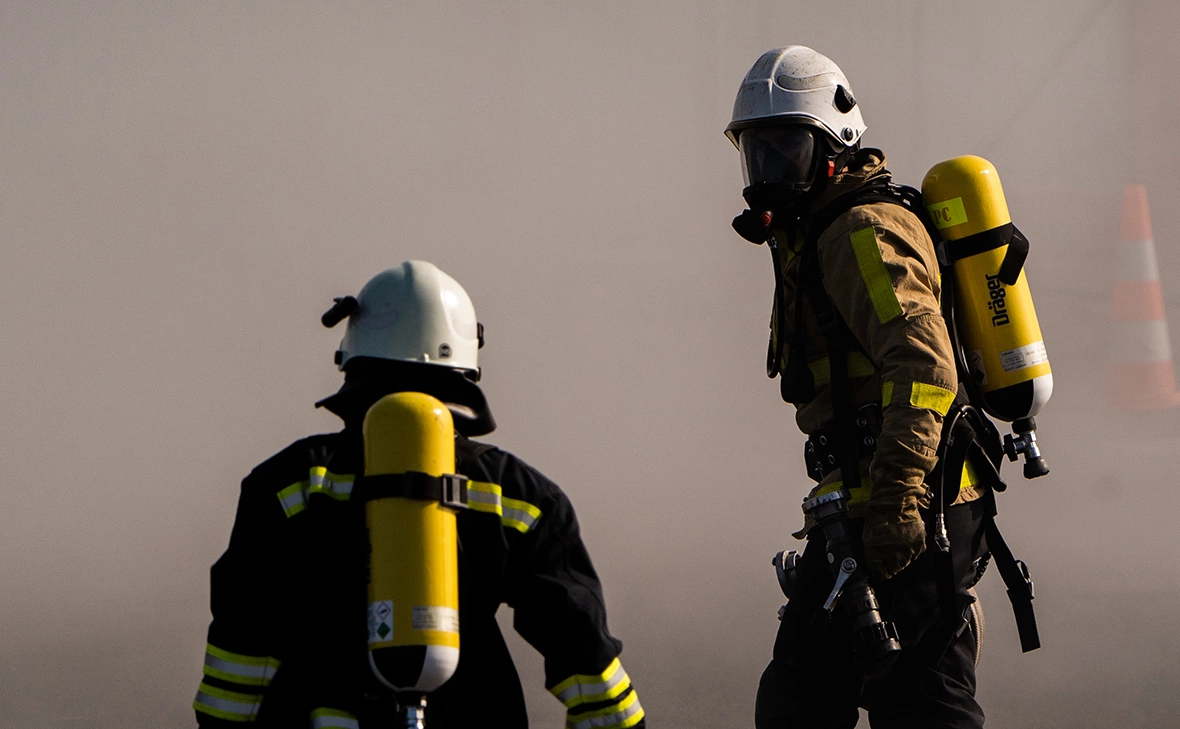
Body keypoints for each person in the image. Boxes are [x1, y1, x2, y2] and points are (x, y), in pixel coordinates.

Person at [192, 261, 645, 729]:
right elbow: (578, 640)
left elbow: (243, 634)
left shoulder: (291, 482)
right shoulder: (519, 494)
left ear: (353, 353)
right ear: (467, 361)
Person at [725, 47, 990, 728]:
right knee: (798, 700)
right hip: (855, 506)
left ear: (834, 145)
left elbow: (926, 367)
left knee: (923, 709)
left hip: (910, 501)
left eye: (787, 149)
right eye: (759, 152)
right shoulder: (816, 233)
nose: (770, 171)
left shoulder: (859, 232)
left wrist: (900, 499)